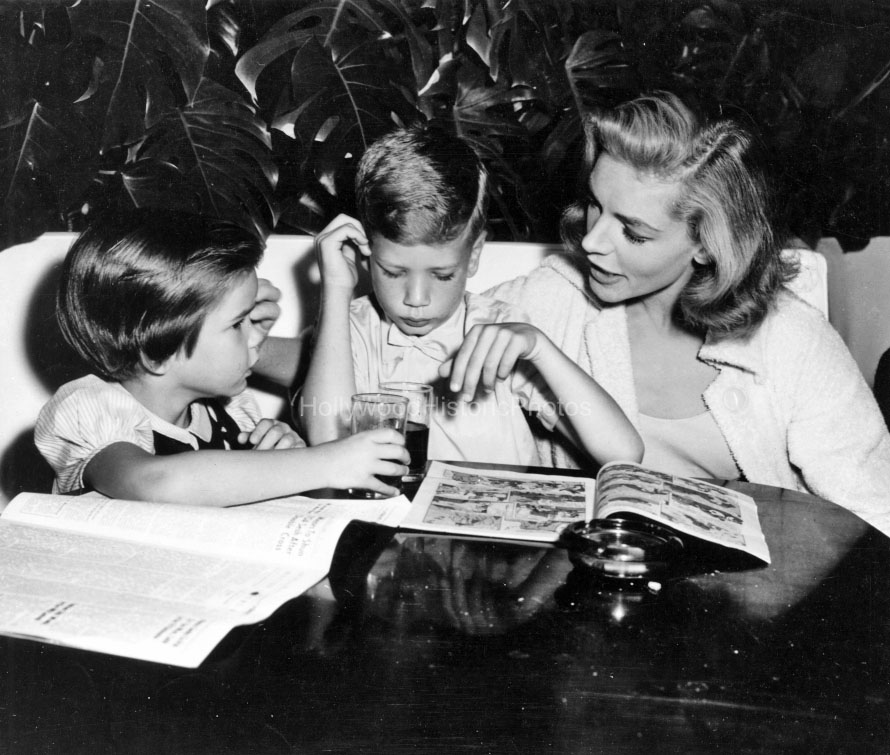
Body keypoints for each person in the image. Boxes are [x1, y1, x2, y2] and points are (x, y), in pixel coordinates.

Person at [449, 92, 890, 533]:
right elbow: (419, 332)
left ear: (706, 244)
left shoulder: (793, 339)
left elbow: (876, 518)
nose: (592, 242)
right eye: (595, 206)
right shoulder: (553, 298)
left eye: (633, 233)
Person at [297, 125, 643, 468]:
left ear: (474, 255)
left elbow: (623, 452)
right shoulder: (349, 331)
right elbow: (328, 443)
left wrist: (539, 348)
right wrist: (337, 290)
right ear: (366, 254)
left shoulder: (499, 331)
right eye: (393, 272)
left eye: (442, 274)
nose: (416, 298)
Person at [34, 209, 408, 505]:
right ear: (156, 352)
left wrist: (279, 457)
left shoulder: (232, 410)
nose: (257, 338)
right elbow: (156, 482)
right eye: (237, 324)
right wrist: (323, 463)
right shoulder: (90, 409)